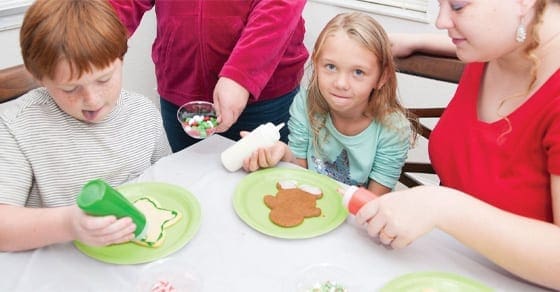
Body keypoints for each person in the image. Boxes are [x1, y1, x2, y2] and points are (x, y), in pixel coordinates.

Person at [355, 0, 560, 289]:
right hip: (442, 266)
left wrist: (445, 206)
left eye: (458, 6)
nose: (441, 22)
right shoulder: (501, 46)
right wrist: (418, 41)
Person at [0, 0, 172, 252]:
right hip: (60, 267)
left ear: (121, 58)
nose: (92, 100)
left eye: (104, 79)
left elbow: (166, 181)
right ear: (40, 78)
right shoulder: (17, 127)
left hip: (133, 257)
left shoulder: (143, 113)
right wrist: (69, 225)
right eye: (70, 88)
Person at [243, 12, 414, 196]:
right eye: (330, 67)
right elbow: (299, 173)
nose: (340, 83)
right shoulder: (305, 103)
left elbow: (374, 202)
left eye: (358, 72)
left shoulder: (393, 129)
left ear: (381, 78)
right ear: (316, 64)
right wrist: (283, 154)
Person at [109, 0, 309, 152]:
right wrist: (92, 39)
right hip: (181, 87)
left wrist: (242, 73)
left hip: (265, 96)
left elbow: (280, 4)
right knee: (189, 187)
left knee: (261, 193)